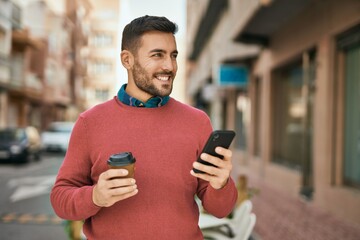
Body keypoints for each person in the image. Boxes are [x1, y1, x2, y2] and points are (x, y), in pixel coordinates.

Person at [50, 15, 238, 240]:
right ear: (127, 60)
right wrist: (95, 197)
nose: (169, 66)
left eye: (173, 55)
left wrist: (221, 184)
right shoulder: (90, 122)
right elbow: (60, 198)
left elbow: (221, 209)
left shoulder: (197, 122)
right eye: (157, 55)